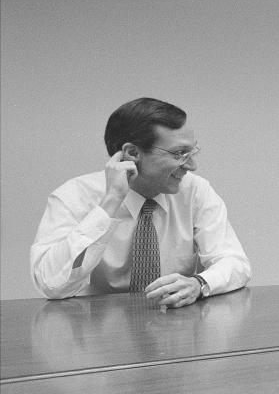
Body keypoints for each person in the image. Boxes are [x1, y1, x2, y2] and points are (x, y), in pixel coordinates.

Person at [31, 97, 251, 308]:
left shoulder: (195, 191)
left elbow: (236, 263)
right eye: (180, 154)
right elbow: (52, 285)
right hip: (96, 334)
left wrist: (199, 283)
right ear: (133, 153)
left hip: (174, 330)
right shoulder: (74, 196)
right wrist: (110, 202)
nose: (192, 165)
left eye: (192, 151)